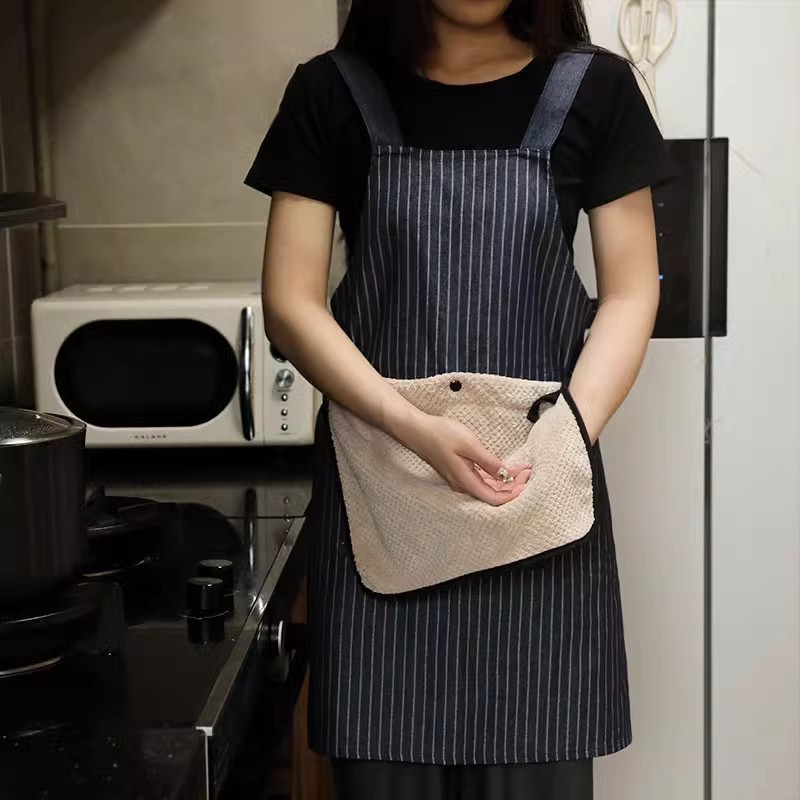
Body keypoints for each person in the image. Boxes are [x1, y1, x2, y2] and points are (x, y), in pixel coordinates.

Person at [246, 1, 674, 797]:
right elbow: (290, 303)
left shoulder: (596, 89)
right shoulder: (332, 93)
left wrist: (563, 438)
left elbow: (630, 292)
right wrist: (411, 426)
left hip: (536, 505)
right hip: (381, 501)